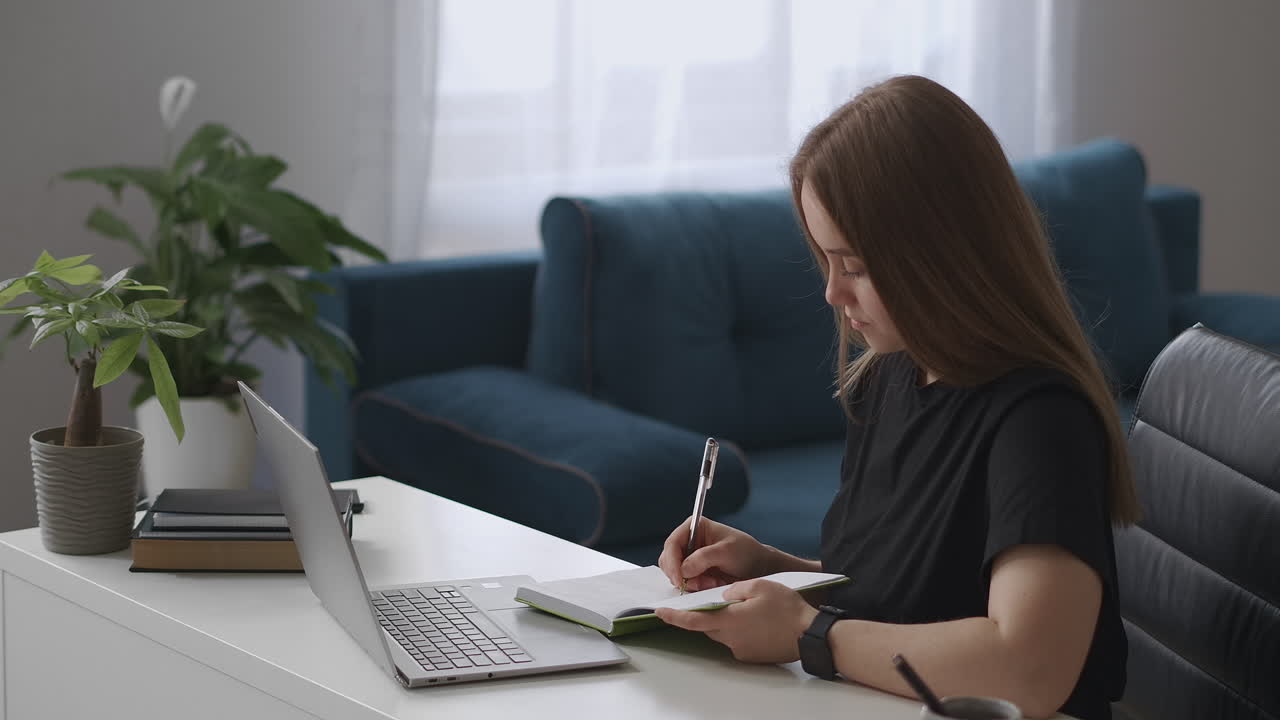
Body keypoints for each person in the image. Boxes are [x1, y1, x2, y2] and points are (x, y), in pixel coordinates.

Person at [655, 75, 1136, 720]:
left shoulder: (1040, 421)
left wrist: (805, 632)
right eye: (825, 262)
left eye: (853, 267)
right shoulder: (893, 377)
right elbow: (917, 594)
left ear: (941, 254)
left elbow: (1030, 666)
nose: (832, 293)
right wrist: (771, 570)